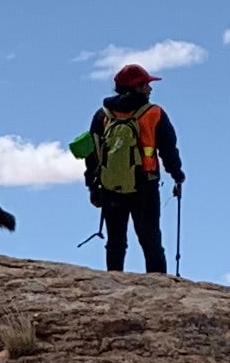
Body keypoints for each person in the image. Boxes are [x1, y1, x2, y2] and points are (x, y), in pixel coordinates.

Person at [77, 63, 184, 273]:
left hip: (110, 187)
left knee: (115, 242)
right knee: (150, 239)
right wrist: (178, 175)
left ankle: (113, 282)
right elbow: (168, 150)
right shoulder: (154, 114)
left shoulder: (103, 114)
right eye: (146, 85)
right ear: (137, 87)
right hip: (145, 185)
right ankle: (159, 287)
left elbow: (92, 154)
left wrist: (92, 186)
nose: (150, 89)